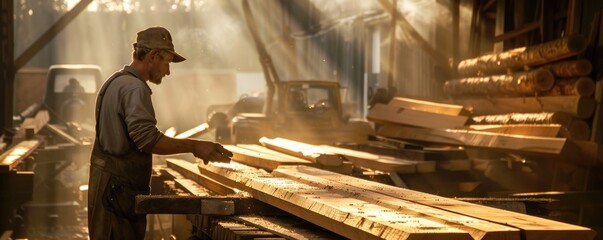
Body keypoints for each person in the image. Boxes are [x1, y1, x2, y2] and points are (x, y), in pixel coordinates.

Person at [88, 26, 233, 240]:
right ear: (153, 56)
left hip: (108, 188)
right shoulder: (134, 89)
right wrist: (195, 146)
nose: (168, 71)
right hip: (117, 194)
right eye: (166, 63)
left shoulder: (114, 81)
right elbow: (148, 140)